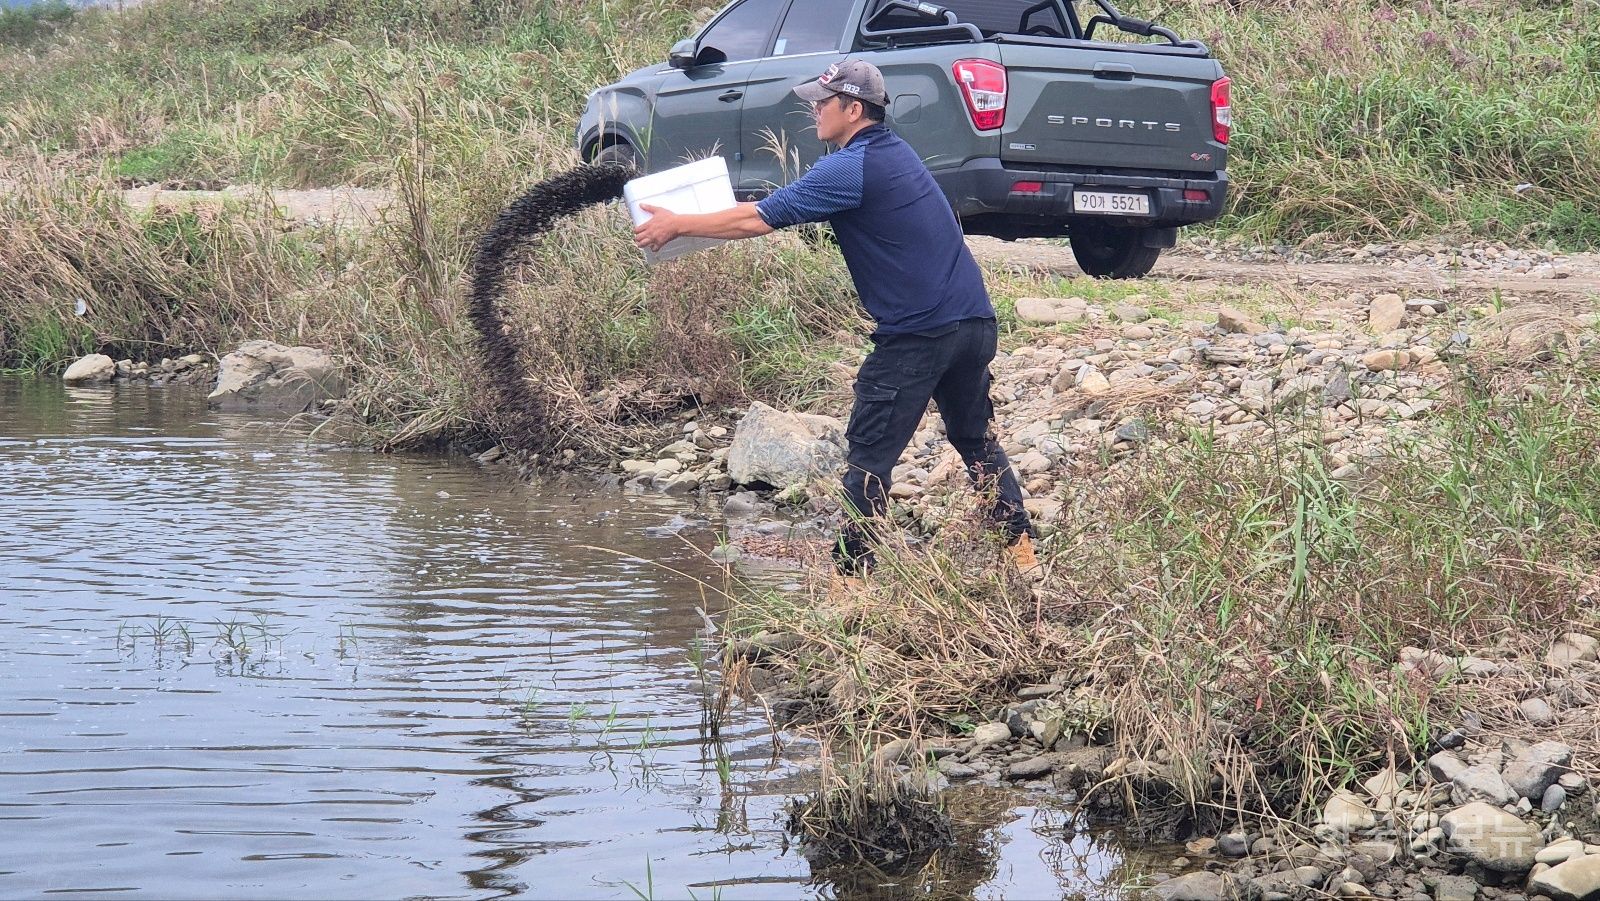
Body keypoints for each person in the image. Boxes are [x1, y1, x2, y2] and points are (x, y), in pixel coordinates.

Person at [632, 60, 1036, 576]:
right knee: (975, 439)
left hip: (919, 334)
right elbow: (770, 205)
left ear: (853, 108)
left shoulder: (850, 165)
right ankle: (1022, 559)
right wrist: (696, 214)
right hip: (974, 324)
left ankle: (852, 583)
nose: (814, 111)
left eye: (822, 103)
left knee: (867, 459)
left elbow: (760, 220)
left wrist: (676, 224)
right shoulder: (895, 156)